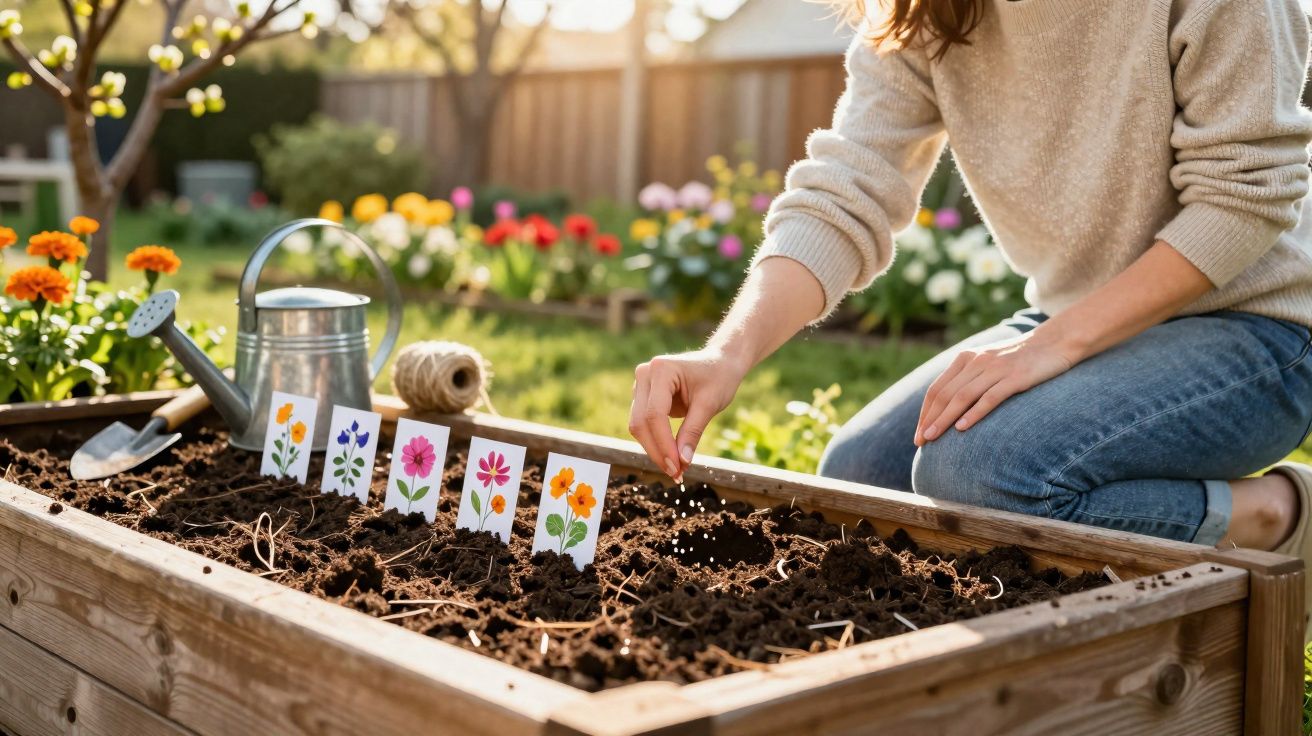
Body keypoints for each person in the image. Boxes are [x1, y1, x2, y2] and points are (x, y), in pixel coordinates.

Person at [627, 0, 1312, 637]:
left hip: (1257, 327)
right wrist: (728, 352)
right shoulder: (925, 10)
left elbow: (1245, 197)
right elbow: (847, 189)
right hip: (1071, 320)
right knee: (862, 480)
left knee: (985, 474)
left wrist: (1053, 347)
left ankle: (1273, 514)